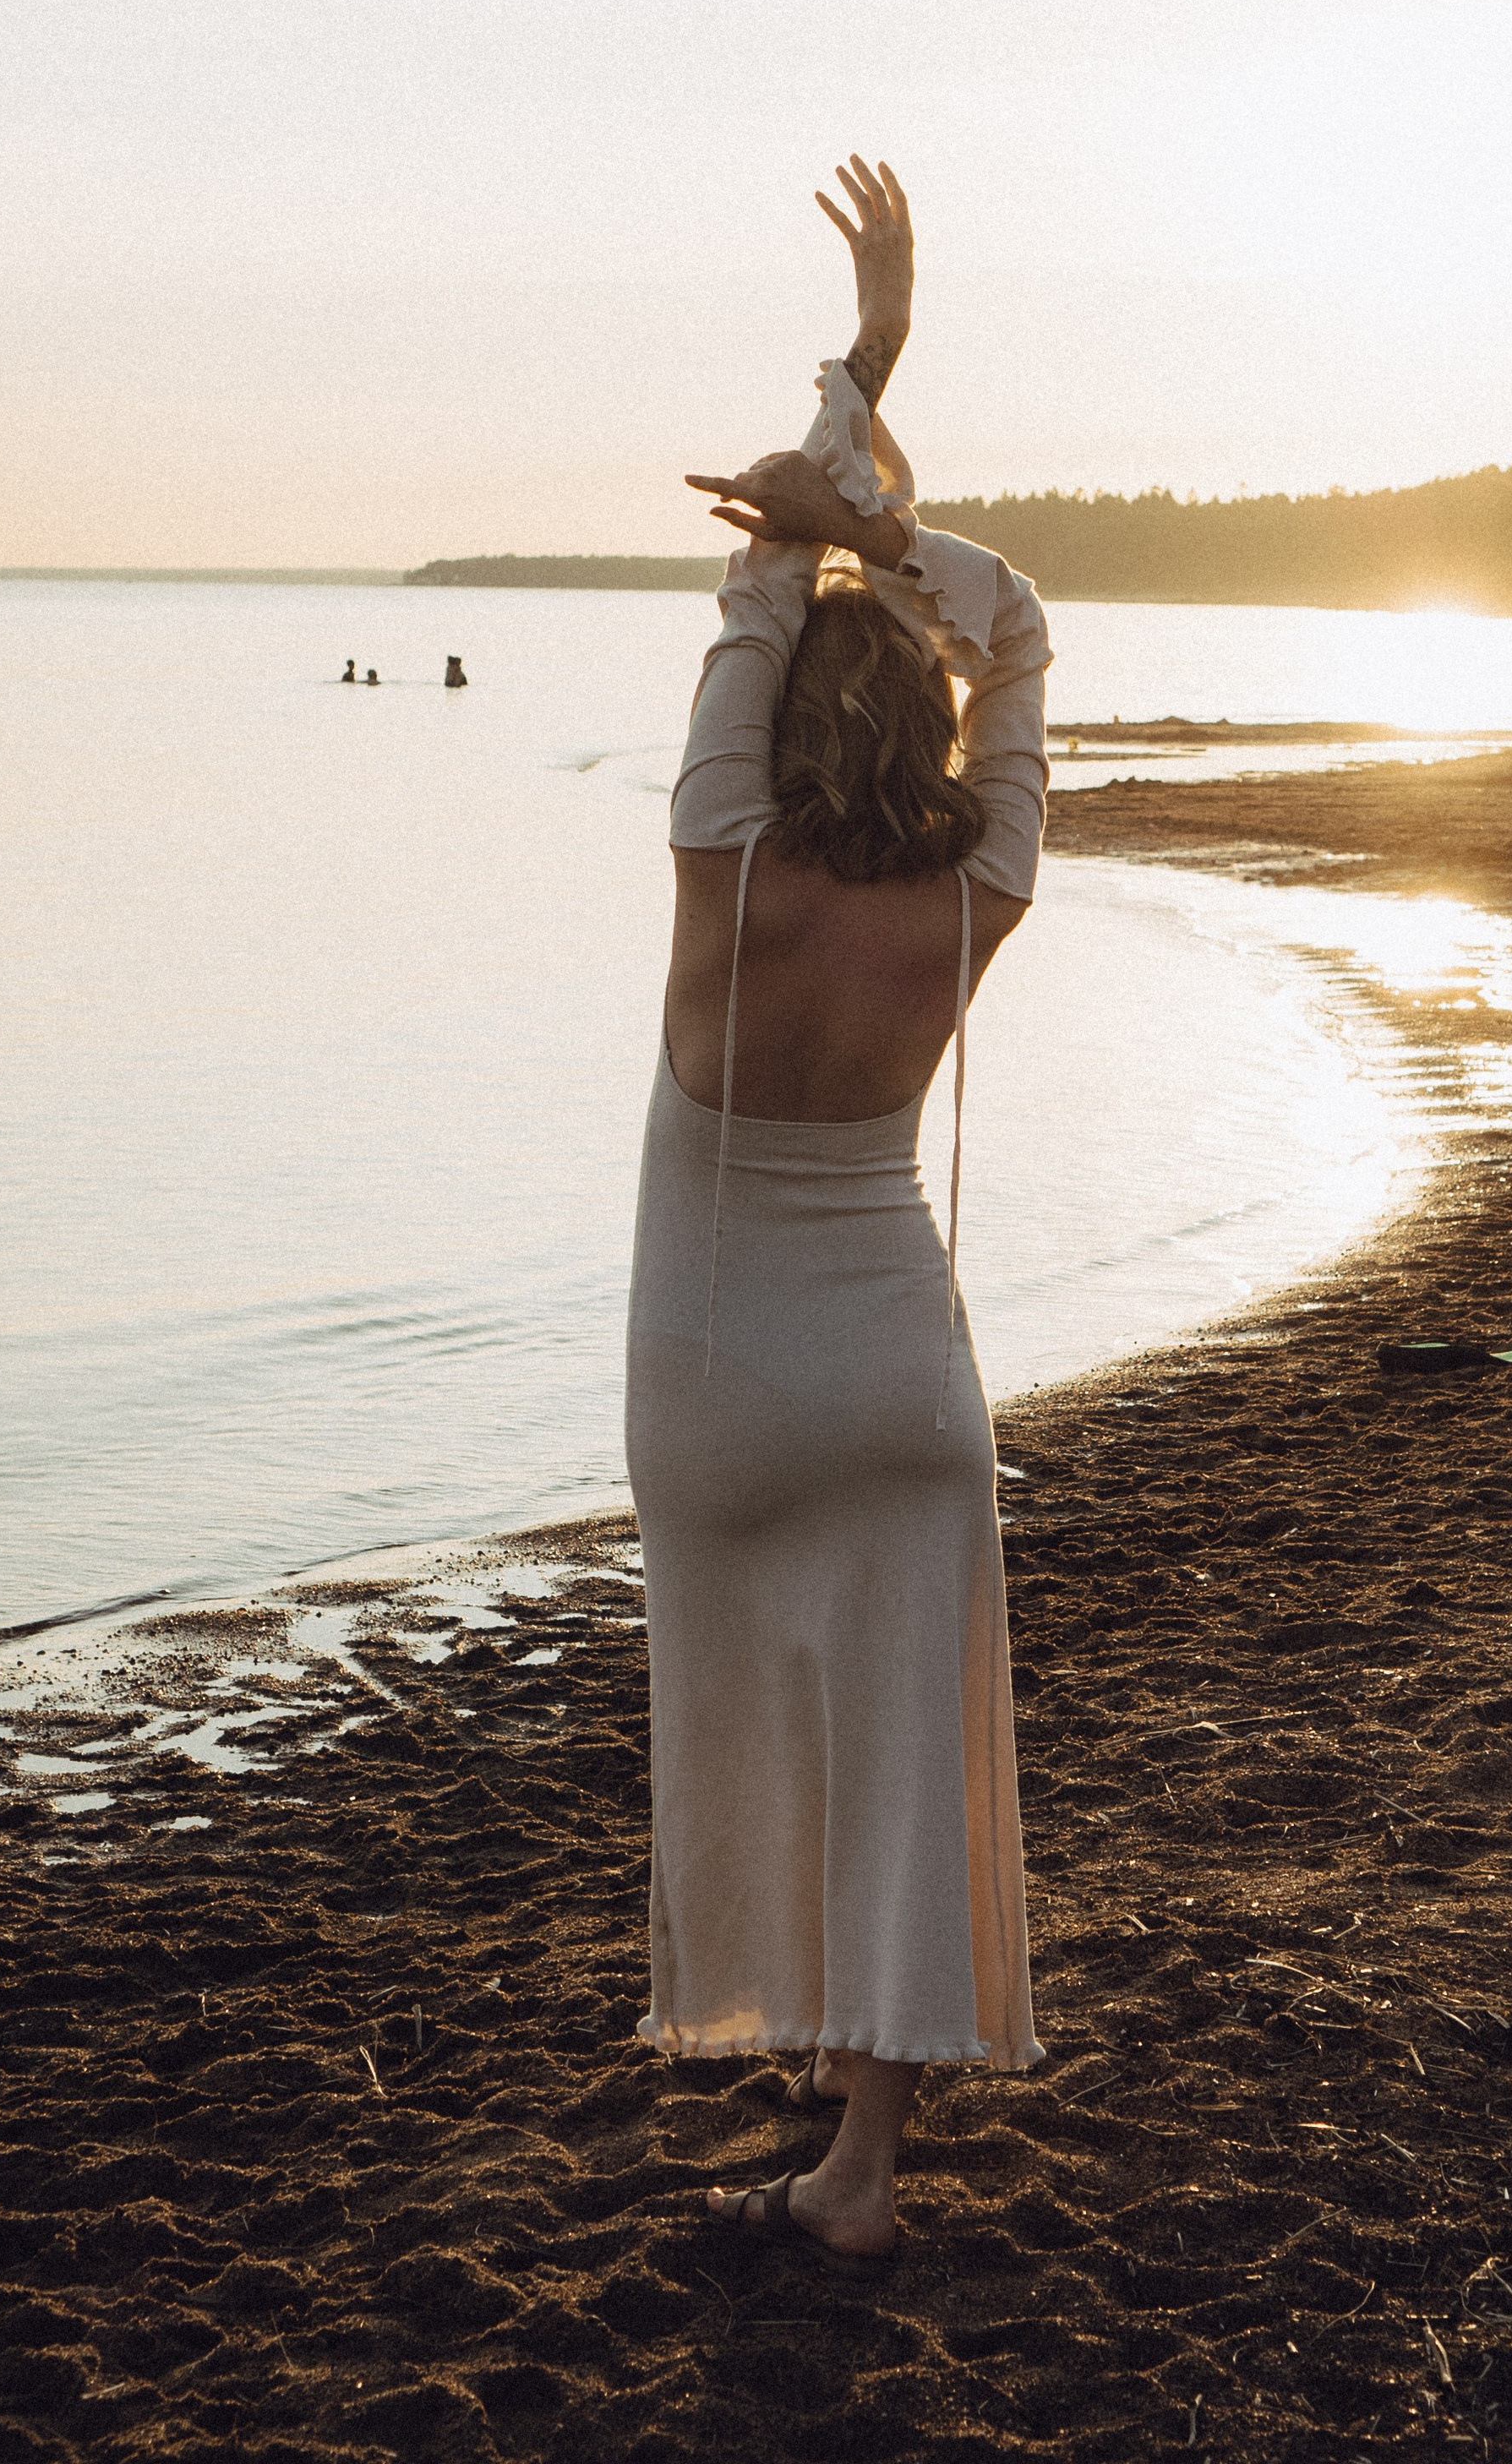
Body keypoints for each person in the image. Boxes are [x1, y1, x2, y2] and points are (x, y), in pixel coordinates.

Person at [625, 156, 1050, 2262]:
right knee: (894, 1736)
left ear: (782, 709)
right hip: (896, 1361)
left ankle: (787, 2045)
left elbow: (752, 593)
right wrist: (880, 527)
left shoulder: (719, 832)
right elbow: (1021, 625)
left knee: (750, 1697)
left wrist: (853, 382)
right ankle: (863, 2167)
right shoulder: (980, 886)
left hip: (710, 1369)